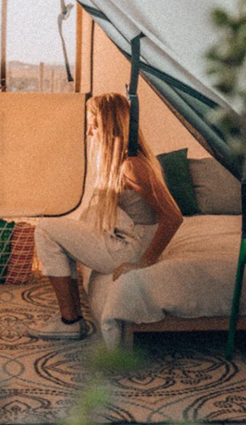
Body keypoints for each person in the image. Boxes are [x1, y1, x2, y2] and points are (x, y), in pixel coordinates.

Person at [26, 92, 183, 340]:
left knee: (45, 229)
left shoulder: (133, 166)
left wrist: (144, 262)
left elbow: (173, 216)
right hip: (124, 242)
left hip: (128, 250)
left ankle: (70, 321)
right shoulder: (125, 162)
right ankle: (72, 318)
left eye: (94, 126)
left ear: (110, 127)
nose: (90, 134)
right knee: (59, 231)